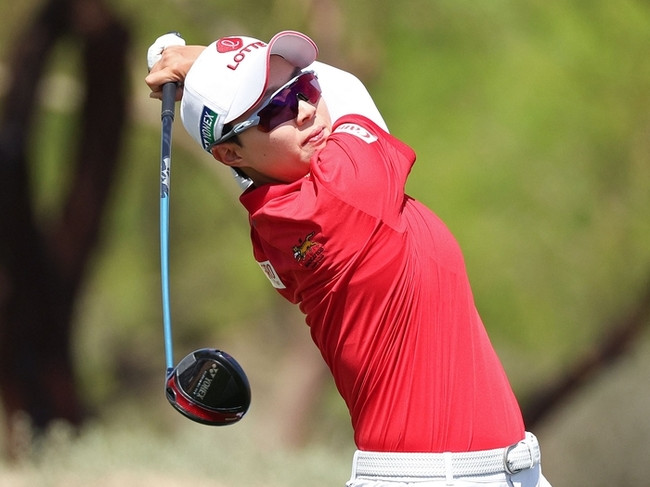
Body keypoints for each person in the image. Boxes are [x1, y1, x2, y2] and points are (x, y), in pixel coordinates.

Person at [145, 31, 552, 487]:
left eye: (303, 87)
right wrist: (203, 62)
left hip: (501, 472)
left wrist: (217, 69)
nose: (305, 109)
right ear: (229, 153)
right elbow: (348, 89)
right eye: (275, 109)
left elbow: (283, 143)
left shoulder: (276, 219)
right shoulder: (342, 194)